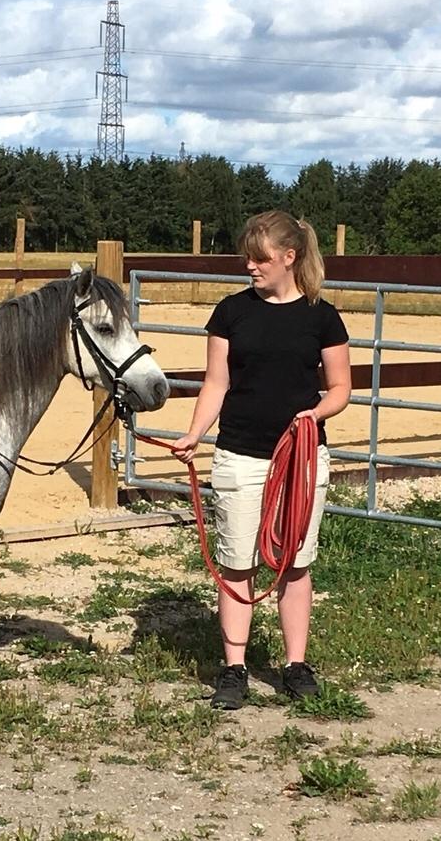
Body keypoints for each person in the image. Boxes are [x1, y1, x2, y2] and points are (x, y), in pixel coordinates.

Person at [170, 210, 351, 710]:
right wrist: (194, 434)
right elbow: (216, 383)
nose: (250, 266)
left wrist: (315, 414)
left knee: (295, 562)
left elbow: (341, 387)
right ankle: (234, 669)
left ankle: (296, 665)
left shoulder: (322, 317)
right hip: (239, 456)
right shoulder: (231, 313)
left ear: (289, 257)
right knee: (236, 563)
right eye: (247, 258)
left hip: (302, 459)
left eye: (260, 258)